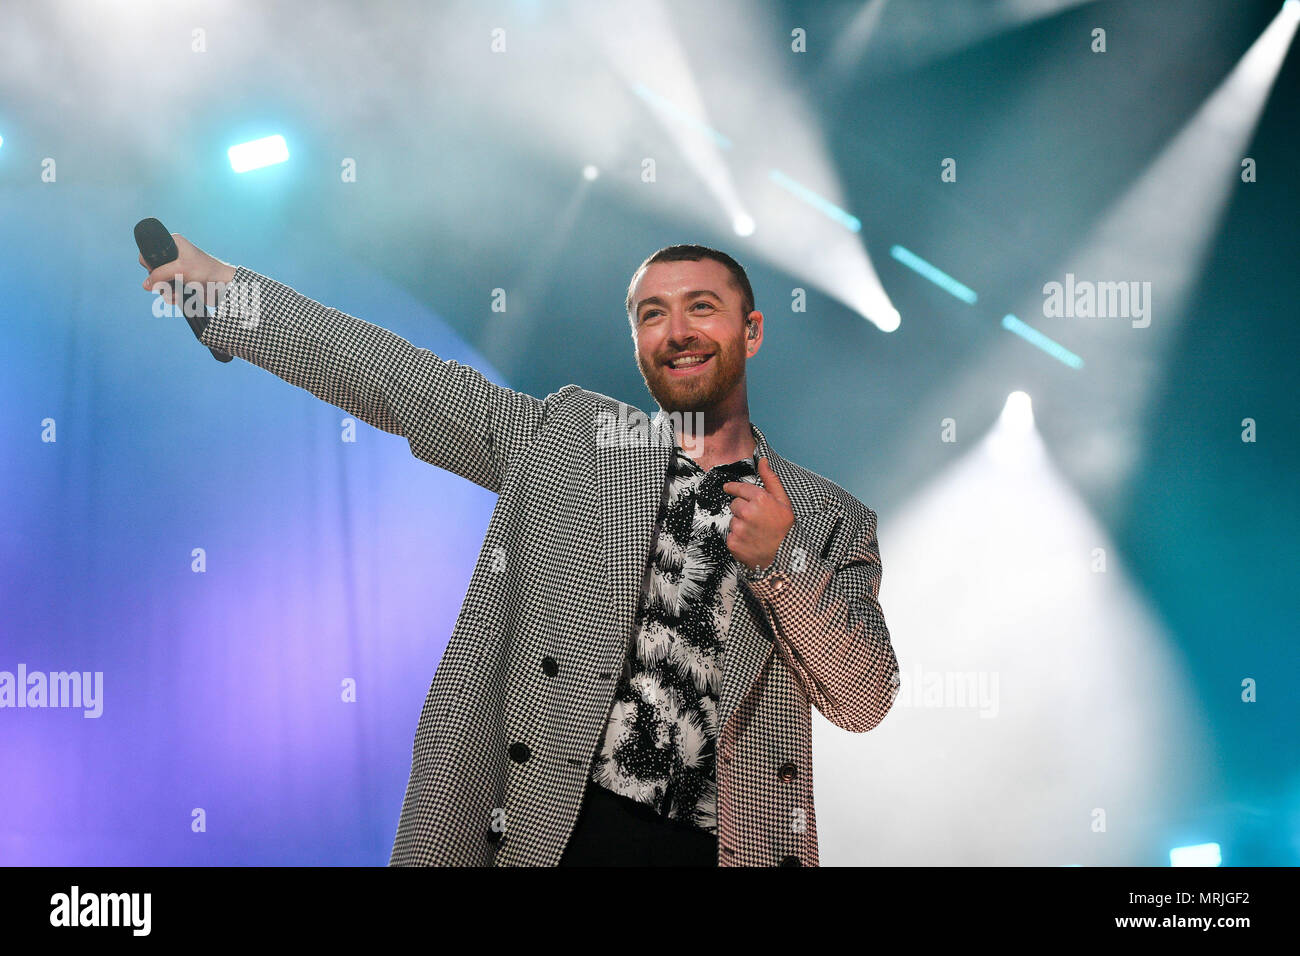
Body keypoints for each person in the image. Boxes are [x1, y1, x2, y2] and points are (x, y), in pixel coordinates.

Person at [140, 239, 901, 866]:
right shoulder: (574, 438)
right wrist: (229, 296)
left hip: (719, 849)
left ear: (752, 331)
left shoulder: (830, 518)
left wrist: (782, 562)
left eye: (701, 307)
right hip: (547, 833)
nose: (677, 331)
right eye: (651, 314)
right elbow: (404, 383)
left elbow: (865, 700)